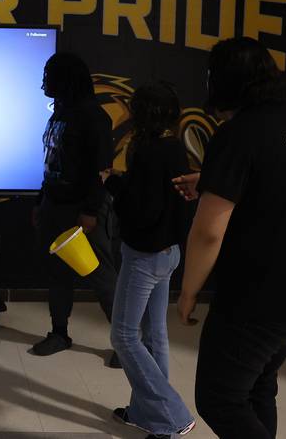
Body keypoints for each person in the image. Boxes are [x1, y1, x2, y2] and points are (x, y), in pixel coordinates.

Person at [178, 37, 286, 438]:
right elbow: (285, 181)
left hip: (259, 299)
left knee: (219, 397)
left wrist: (187, 293)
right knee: (256, 388)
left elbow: (207, 233)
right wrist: (214, 181)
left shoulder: (236, 134)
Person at [104, 83, 196, 439]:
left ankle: (172, 415)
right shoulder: (175, 149)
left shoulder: (146, 152)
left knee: (124, 335)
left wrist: (113, 186)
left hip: (144, 255)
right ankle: (148, 414)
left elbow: (142, 210)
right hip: (169, 253)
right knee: (154, 335)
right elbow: (166, 199)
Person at [31, 52, 121, 367]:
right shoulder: (59, 114)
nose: (43, 80)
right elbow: (51, 163)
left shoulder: (93, 118)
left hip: (84, 210)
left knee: (102, 277)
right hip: (55, 205)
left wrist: (91, 211)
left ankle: (126, 345)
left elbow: (102, 170)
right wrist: (40, 201)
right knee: (57, 274)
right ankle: (59, 333)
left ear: (64, 79)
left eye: (48, 74)